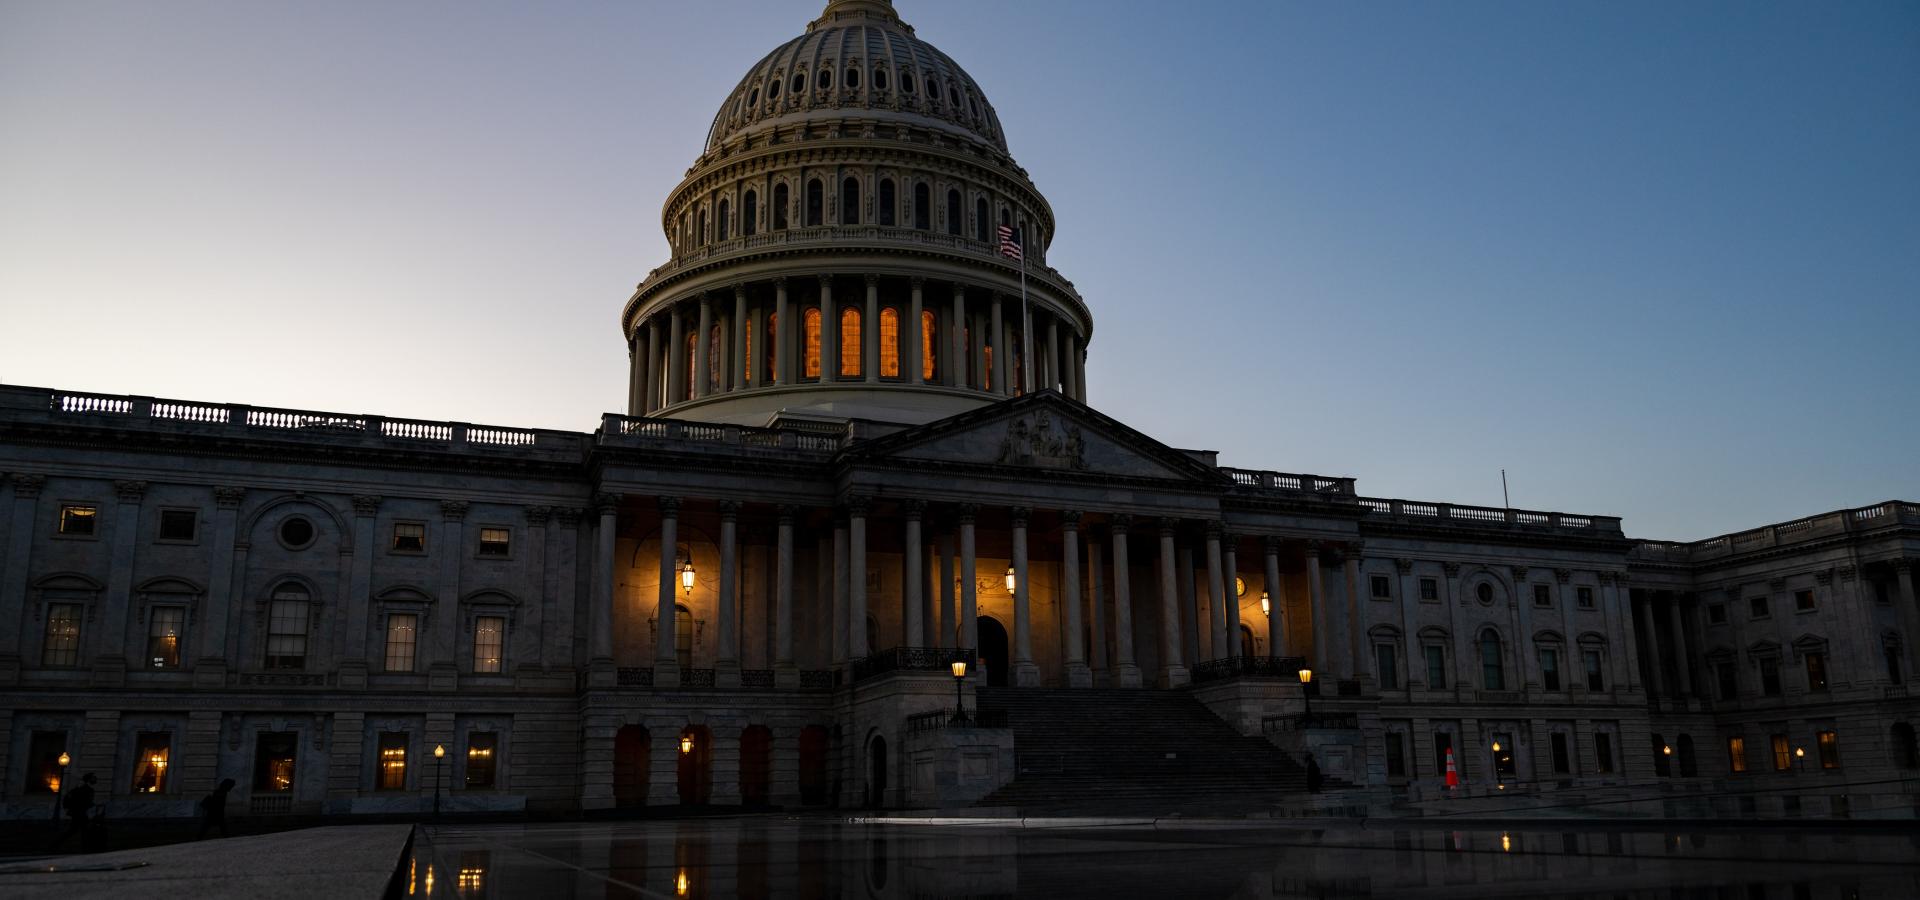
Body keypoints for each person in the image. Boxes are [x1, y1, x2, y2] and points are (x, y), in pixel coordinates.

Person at [48, 772, 97, 851]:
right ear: (89, 779)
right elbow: (84, 802)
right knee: (81, 830)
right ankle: (86, 848)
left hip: (78, 813)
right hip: (80, 813)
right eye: (93, 778)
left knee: (78, 830)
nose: (95, 779)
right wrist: (90, 805)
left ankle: (54, 845)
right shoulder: (87, 790)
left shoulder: (79, 788)